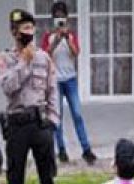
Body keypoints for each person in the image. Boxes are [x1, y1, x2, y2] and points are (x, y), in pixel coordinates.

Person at [0, 8, 61, 184]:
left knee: (48, 178)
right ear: (14, 31)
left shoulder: (44, 57)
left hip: (40, 122)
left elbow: (52, 89)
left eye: (30, 28)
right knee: (15, 180)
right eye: (23, 28)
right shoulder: (6, 58)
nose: (28, 32)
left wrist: (53, 120)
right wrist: (23, 62)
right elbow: (8, 87)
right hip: (17, 123)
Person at [41, 1, 97, 166]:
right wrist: (56, 41)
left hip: (70, 79)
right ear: (53, 19)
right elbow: (45, 55)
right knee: (57, 118)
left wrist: (67, 38)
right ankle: (62, 150)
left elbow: (76, 53)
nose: (60, 19)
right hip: (55, 81)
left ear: (67, 18)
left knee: (77, 115)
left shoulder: (71, 35)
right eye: (57, 17)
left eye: (62, 16)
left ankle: (86, 149)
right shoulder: (48, 36)